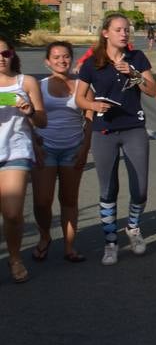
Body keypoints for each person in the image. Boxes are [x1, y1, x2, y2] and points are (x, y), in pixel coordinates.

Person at [74, 13, 156, 266]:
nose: (124, 33)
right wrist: (94, 104)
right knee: (108, 188)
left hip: (134, 127)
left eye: (127, 29)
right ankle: (110, 242)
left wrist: (134, 73)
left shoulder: (137, 58)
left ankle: (133, 228)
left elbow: (152, 90)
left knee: (140, 189)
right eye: (119, 29)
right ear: (106, 33)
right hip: (104, 130)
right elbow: (79, 98)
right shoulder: (92, 63)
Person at [32, 42, 91, 263]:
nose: (61, 61)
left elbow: (90, 117)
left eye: (65, 56)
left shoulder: (82, 86)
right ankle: (45, 236)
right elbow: (28, 115)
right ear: (47, 62)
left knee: (68, 199)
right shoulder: (38, 86)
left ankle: (69, 246)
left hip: (72, 148)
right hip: (44, 148)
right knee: (42, 201)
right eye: (56, 57)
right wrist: (34, 143)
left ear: (72, 59)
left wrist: (85, 147)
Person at [1, 38, 46, 282]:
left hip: (15, 151)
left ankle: (15, 257)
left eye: (5, 52)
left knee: (11, 212)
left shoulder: (25, 82)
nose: (0, 57)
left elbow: (42, 121)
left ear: (12, 54)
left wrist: (30, 112)